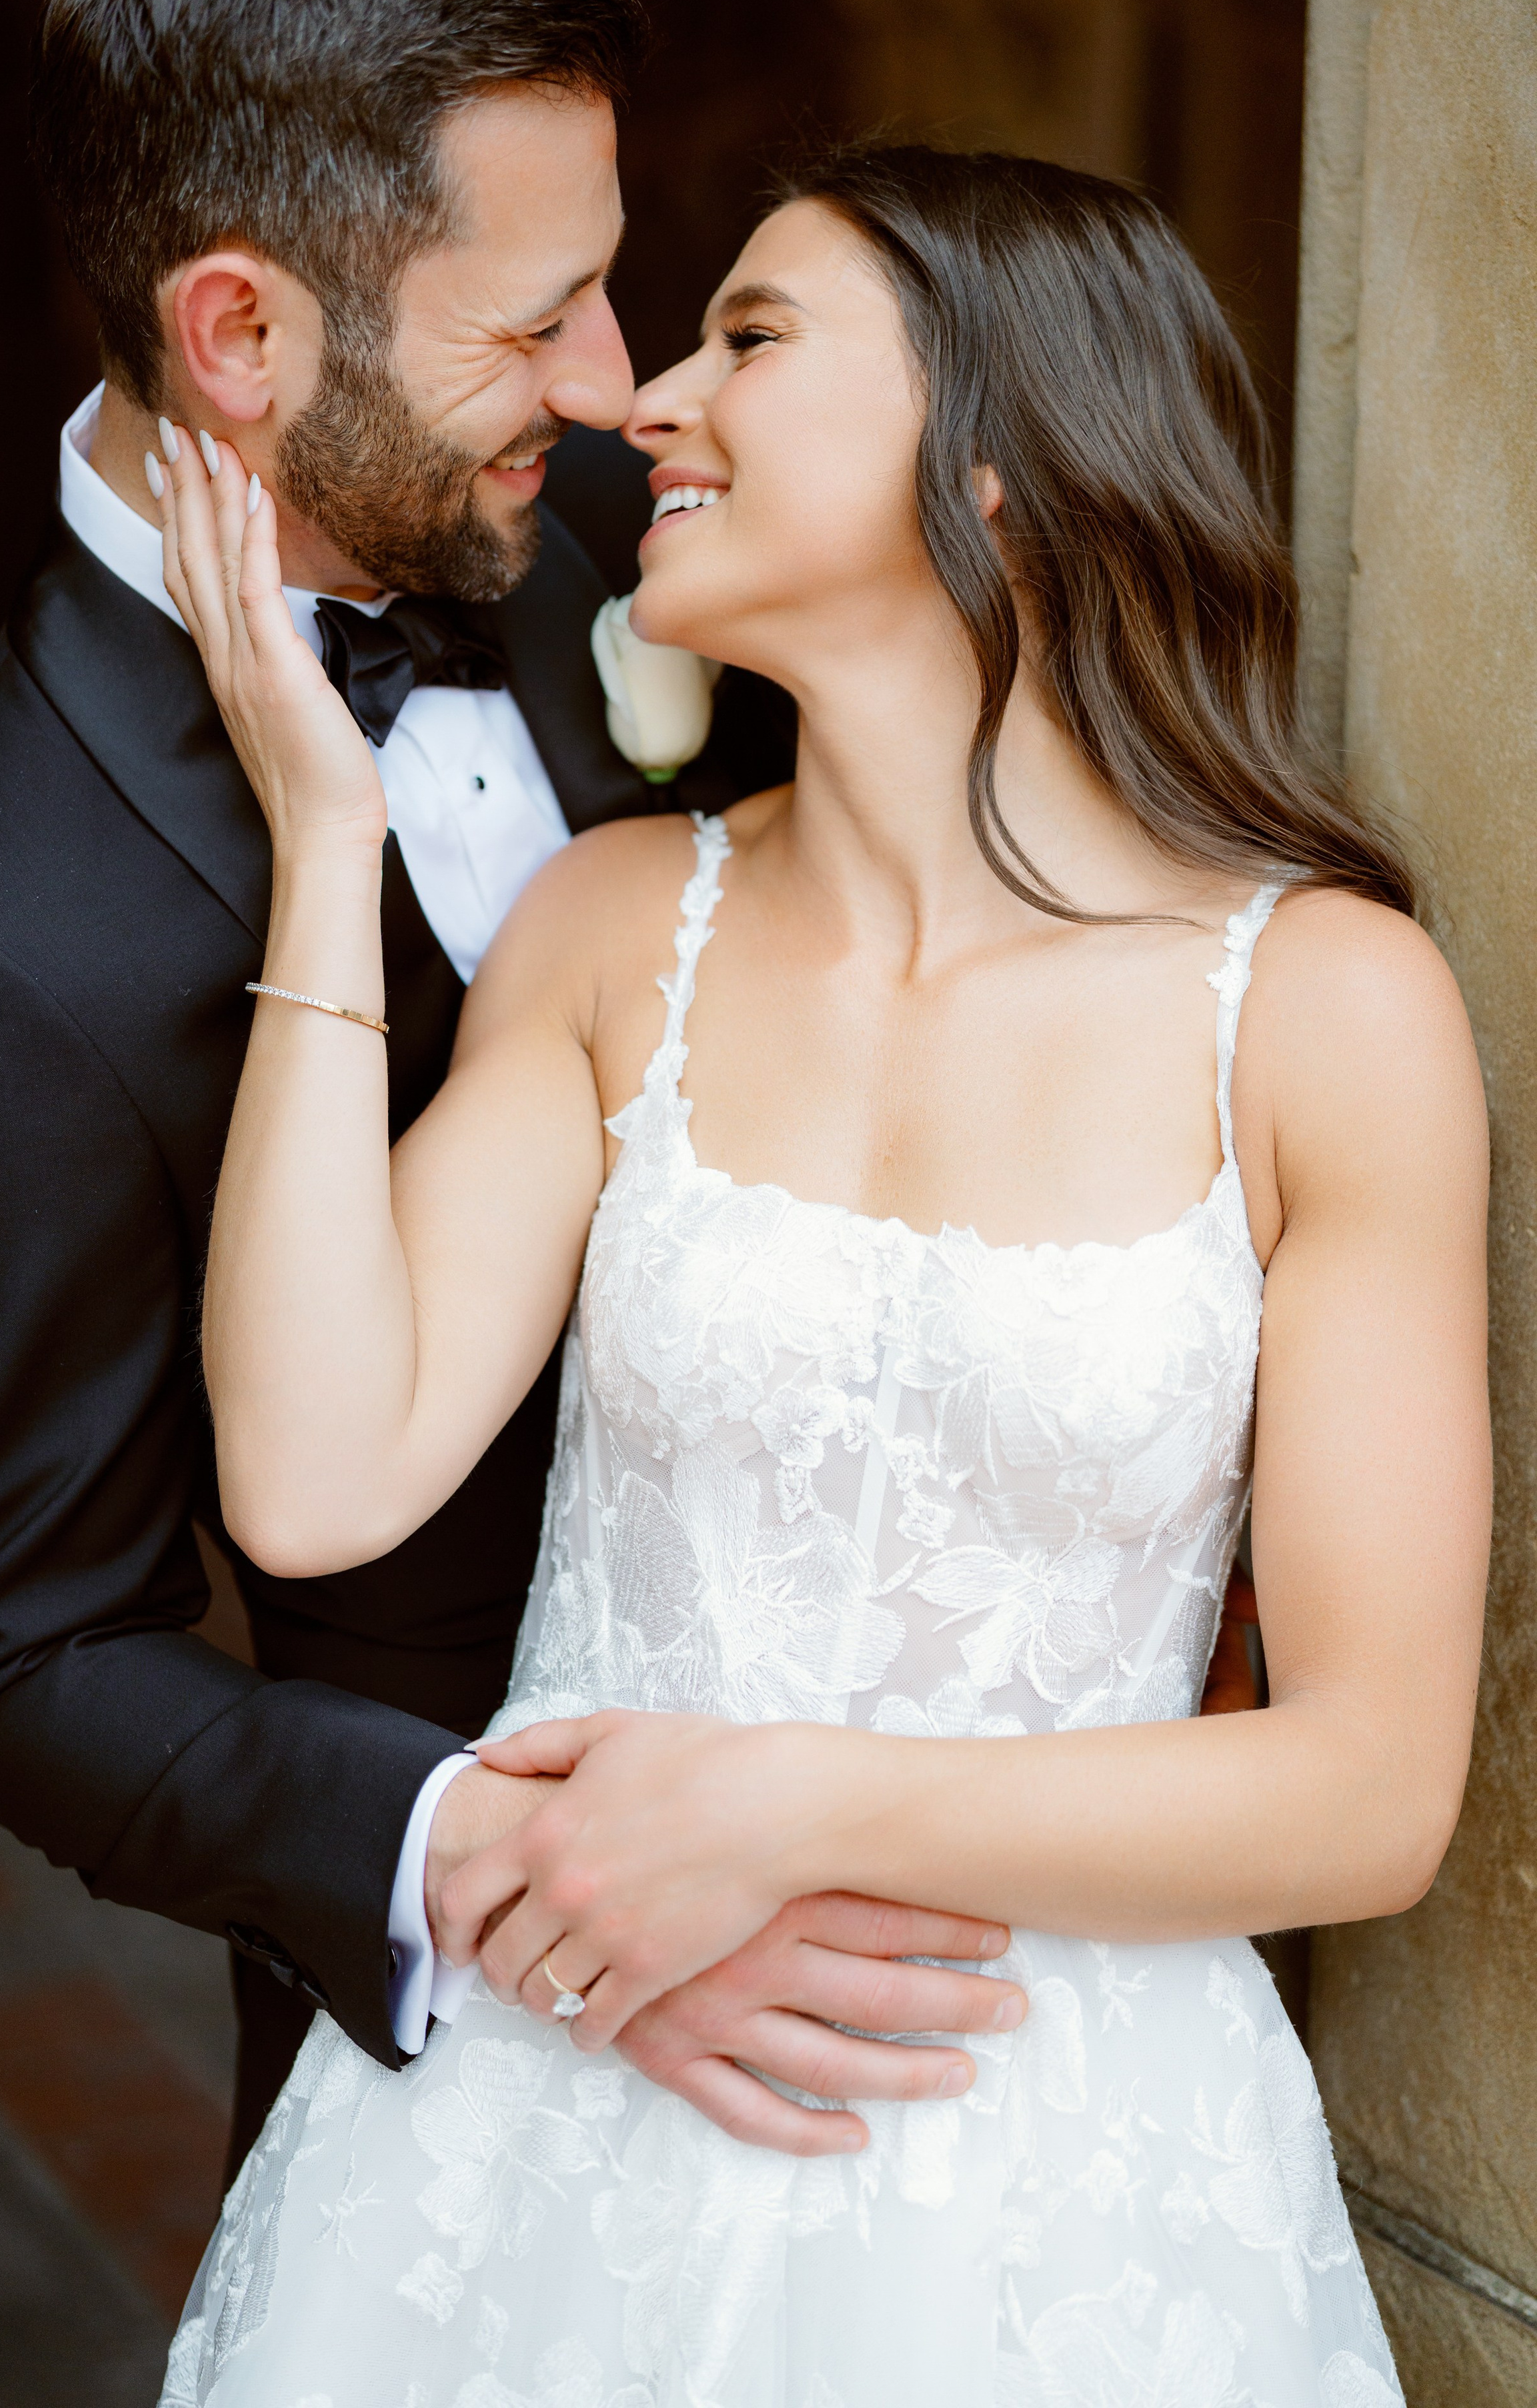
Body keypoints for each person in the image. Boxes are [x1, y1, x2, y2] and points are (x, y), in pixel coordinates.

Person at [155, 145, 1490, 2403]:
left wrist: (786, 1809)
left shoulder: (1326, 1007)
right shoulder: (607, 928)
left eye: (751, 340)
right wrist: (322, 838)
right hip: (539, 2141)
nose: (647, 398)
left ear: (998, 455)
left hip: (1066, 2188)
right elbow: (306, 1478)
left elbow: (1371, 1787)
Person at [0, 0, 1027, 2191]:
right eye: (541, 317)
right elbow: (21, 1660)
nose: (615, 389)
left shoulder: (607, 549)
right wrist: (501, 1858)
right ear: (243, 339)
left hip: (964, 1897)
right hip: (507, 2045)